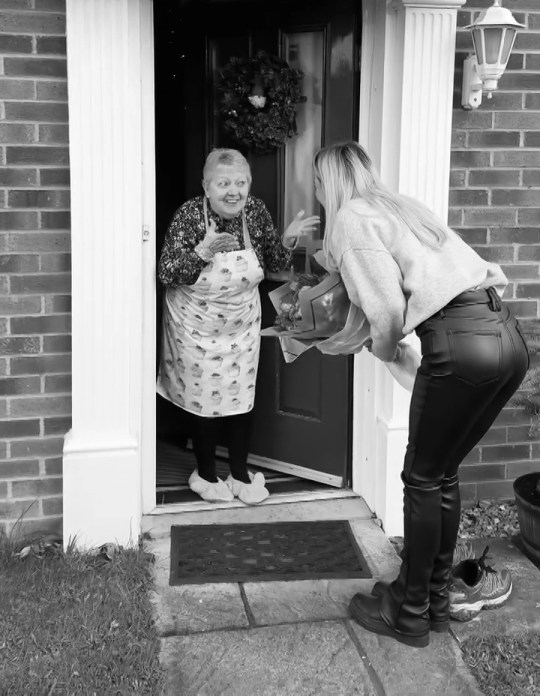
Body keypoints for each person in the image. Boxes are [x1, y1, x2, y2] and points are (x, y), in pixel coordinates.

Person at [312, 141, 529, 649]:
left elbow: (385, 310)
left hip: (460, 342)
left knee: (421, 476)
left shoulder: (350, 218)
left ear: (329, 182)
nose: (318, 193)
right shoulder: (402, 207)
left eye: (318, 184)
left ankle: (406, 613)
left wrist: (381, 349)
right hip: (505, 337)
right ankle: (429, 598)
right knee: (440, 472)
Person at [157, 148, 319, 505]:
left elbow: (274, 262)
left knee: (242, 397)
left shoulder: (256, 212)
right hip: (195, 327)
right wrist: (201, 251)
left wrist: (288, 239)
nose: (233, 191)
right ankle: (206, 473)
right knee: (203, 400)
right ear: (207, 186)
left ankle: (241, 474)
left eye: (240, 182)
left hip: (240, 325)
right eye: (223, 182)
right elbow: (167, 272)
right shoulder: (189, 217)